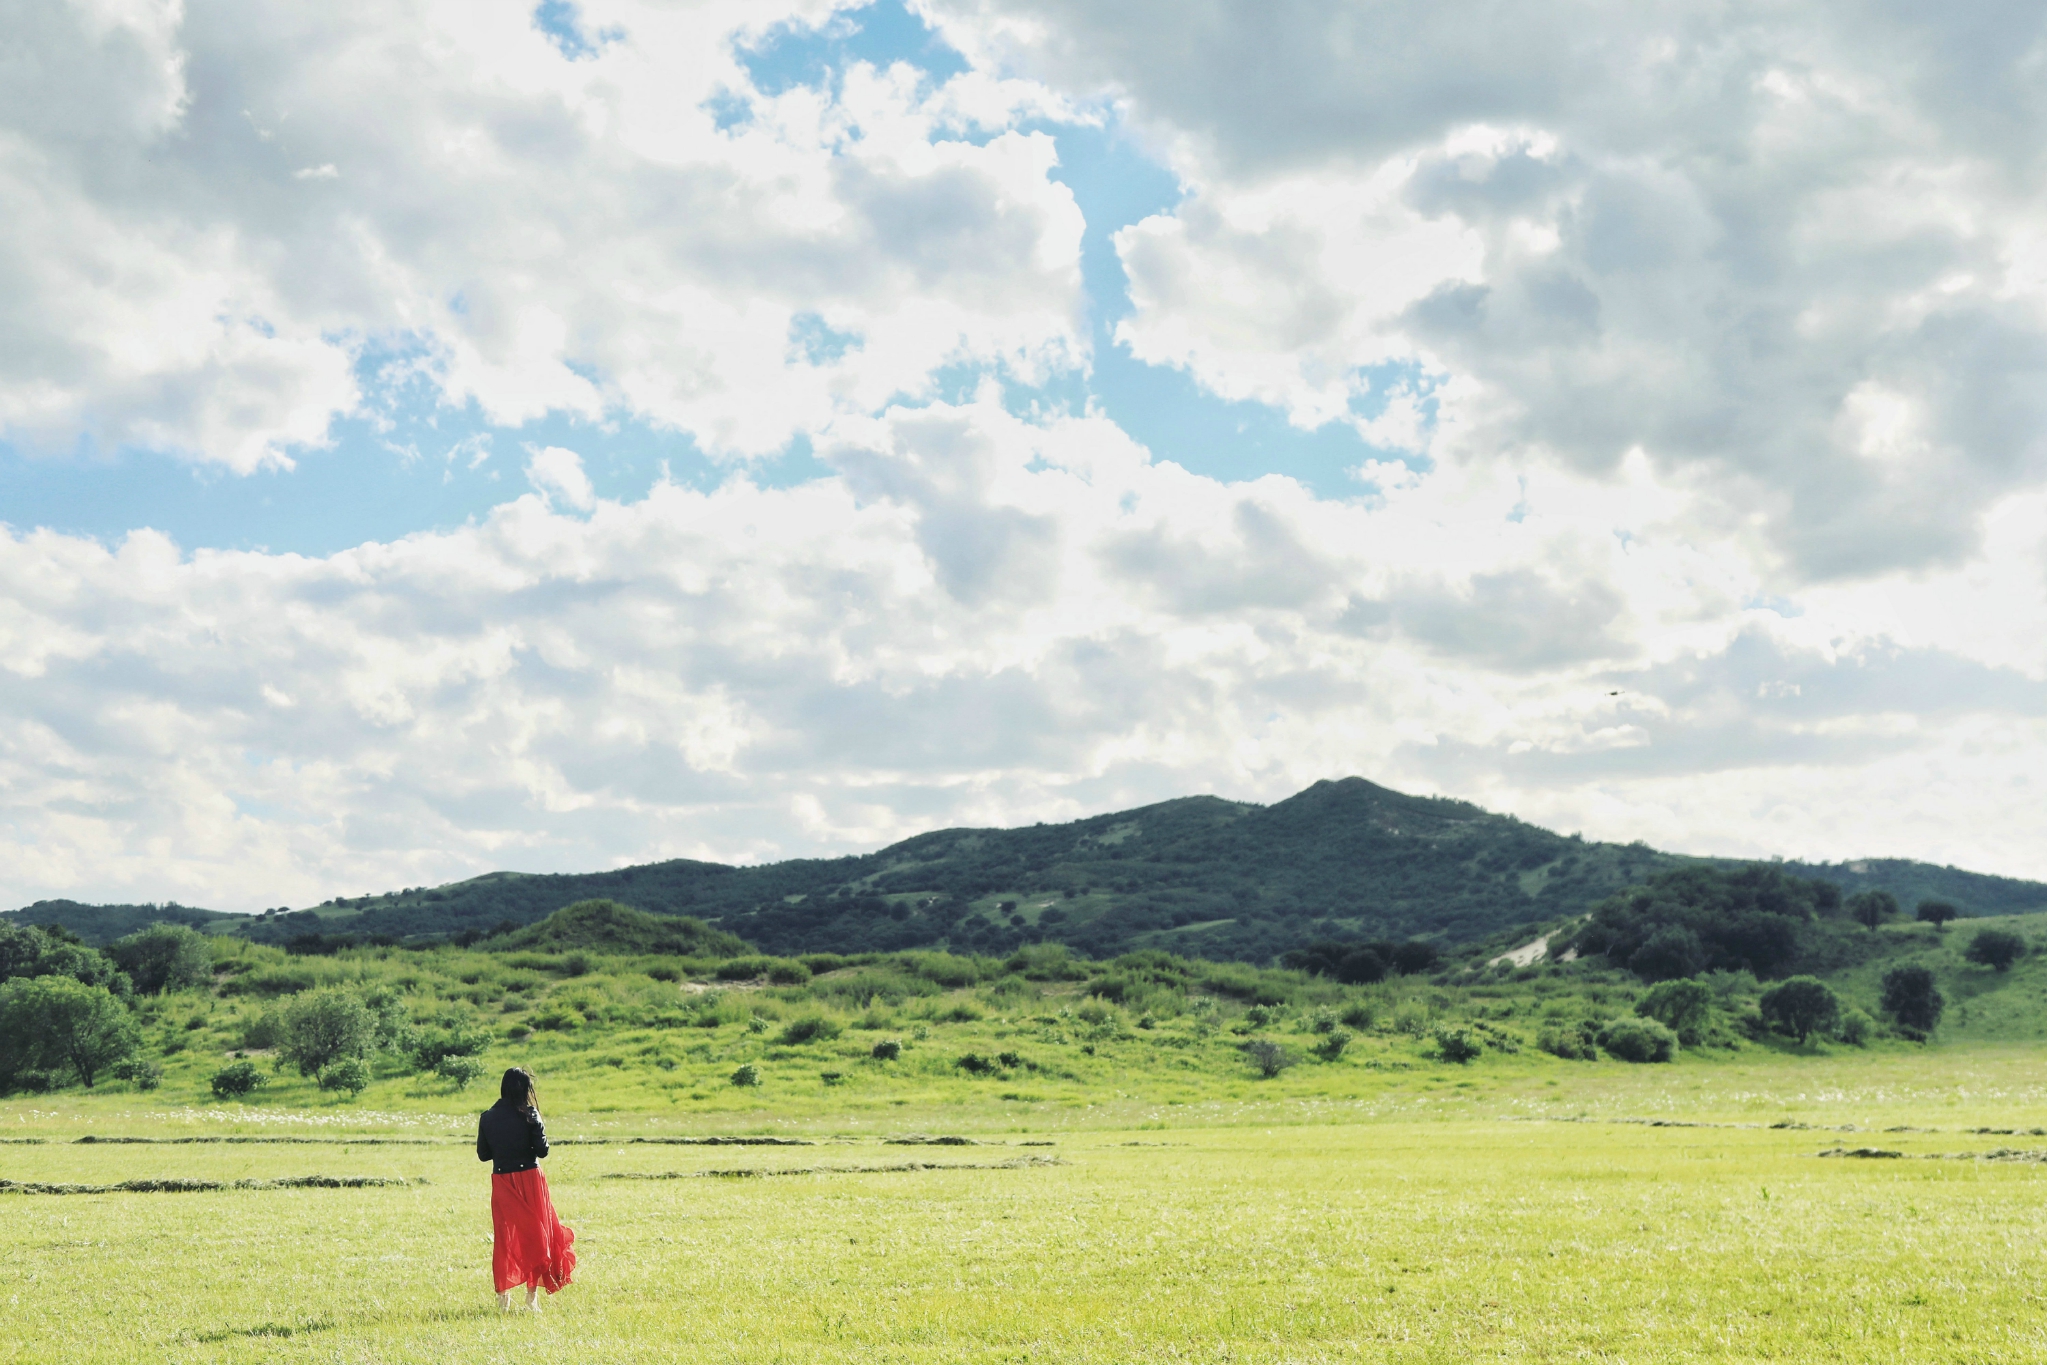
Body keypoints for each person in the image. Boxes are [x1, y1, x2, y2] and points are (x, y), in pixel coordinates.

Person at [476, 1066, 577, 1311]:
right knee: (536, 1236)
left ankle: (503, 1296)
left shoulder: (487, 1116)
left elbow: (483, 1154)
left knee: (505, 1237)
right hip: (530, 1179)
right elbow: (542, 1151)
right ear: (525, 1089)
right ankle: (531, 1298)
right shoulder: (530, 1115)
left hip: (502, 1180)